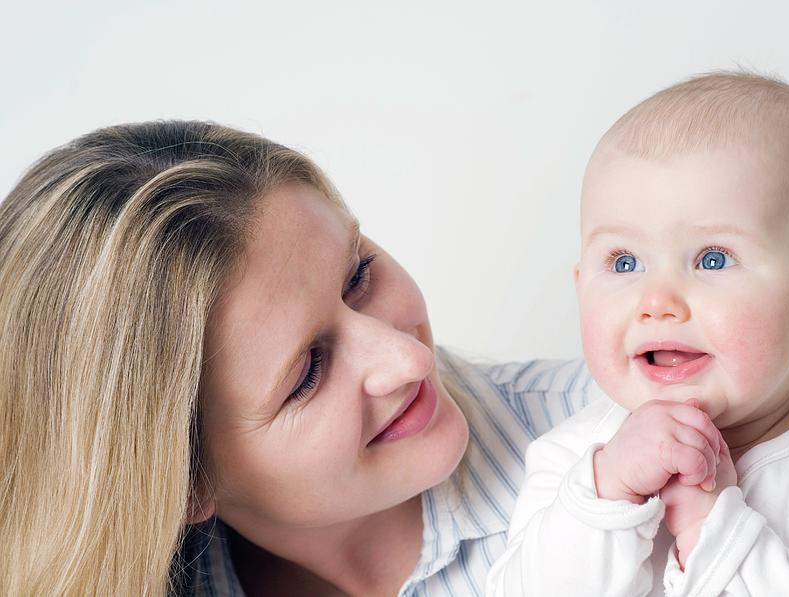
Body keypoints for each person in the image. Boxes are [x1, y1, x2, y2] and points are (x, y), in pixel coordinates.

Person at [0, 121, 607, 596]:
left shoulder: (634, 442)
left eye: (359, 274)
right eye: (309, 373)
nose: (408, 359)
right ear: (184, 481)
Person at [486, 72, 789, 595]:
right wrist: (607, 496)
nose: (656, 302)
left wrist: (713, 530)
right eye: (624, 261)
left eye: (713, 258)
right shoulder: (575, 456)